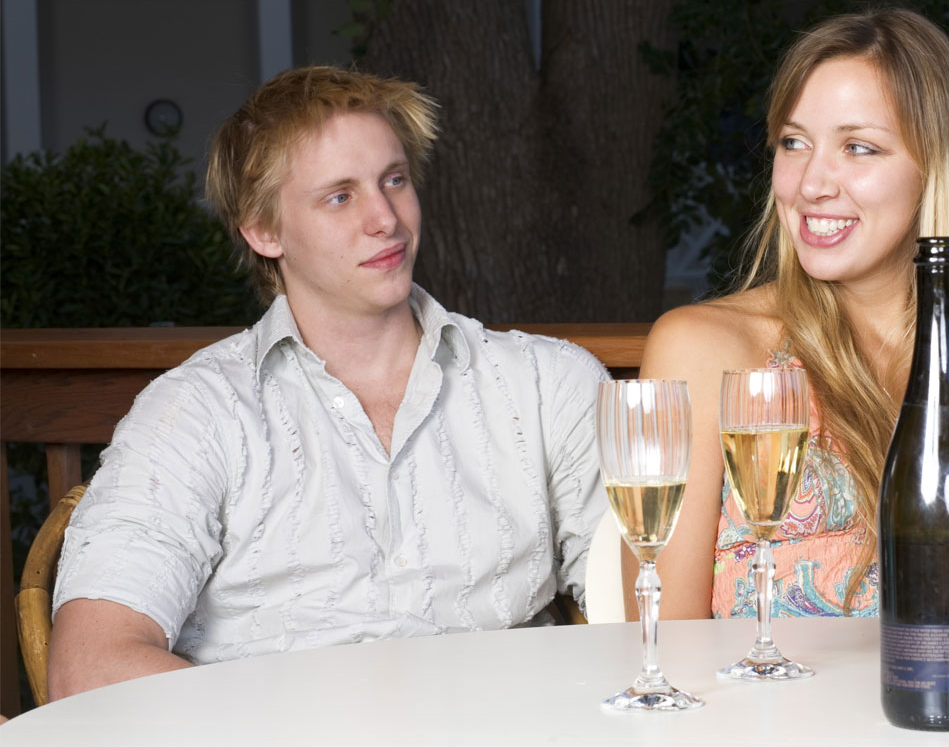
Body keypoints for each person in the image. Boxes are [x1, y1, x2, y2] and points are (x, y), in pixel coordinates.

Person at [48, 66, 610, 700]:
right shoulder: (194, 414)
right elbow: (90, 666)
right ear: (263, 231)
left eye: (393, 180)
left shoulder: (547, 385)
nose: (385, 219)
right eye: (339, 196)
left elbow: (651, 616)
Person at [633, 9, 949, 624]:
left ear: (936, 170)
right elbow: (663, 644)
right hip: (770, 720)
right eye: (794, 143)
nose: (811, 183)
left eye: (857, 147)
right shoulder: (704, 351)